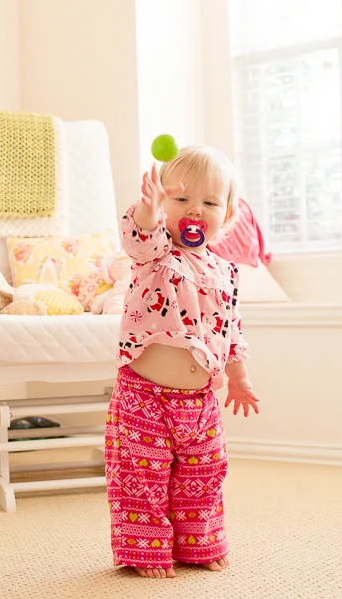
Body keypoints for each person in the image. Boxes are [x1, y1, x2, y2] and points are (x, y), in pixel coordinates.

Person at [105, 145, 260, 579]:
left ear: (227, 215)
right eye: (181, 199)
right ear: (164, 207)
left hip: (200, 401)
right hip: (144, 397)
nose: (195, 210)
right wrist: (147, 211)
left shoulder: (226, 272)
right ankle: (146, 548)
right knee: (142, 475)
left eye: (209, 202)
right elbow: (140, 236)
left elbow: (230, 330)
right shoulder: (156, 254)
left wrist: (239, 376)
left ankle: (198, 542)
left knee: (204, 472)